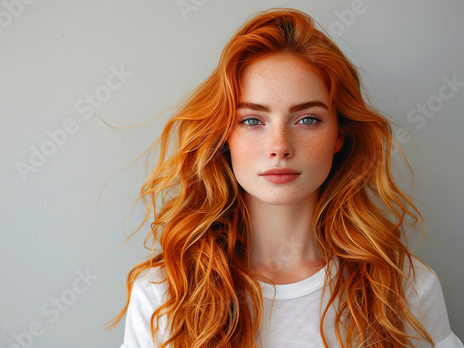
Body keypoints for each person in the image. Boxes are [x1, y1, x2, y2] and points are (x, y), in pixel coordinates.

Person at [108, 7, 464, 348]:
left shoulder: (406, 288)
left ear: (339, 135)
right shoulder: (165, 294)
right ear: (223, 136)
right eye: (252, 120)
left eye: (307, 119)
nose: (279, 146)